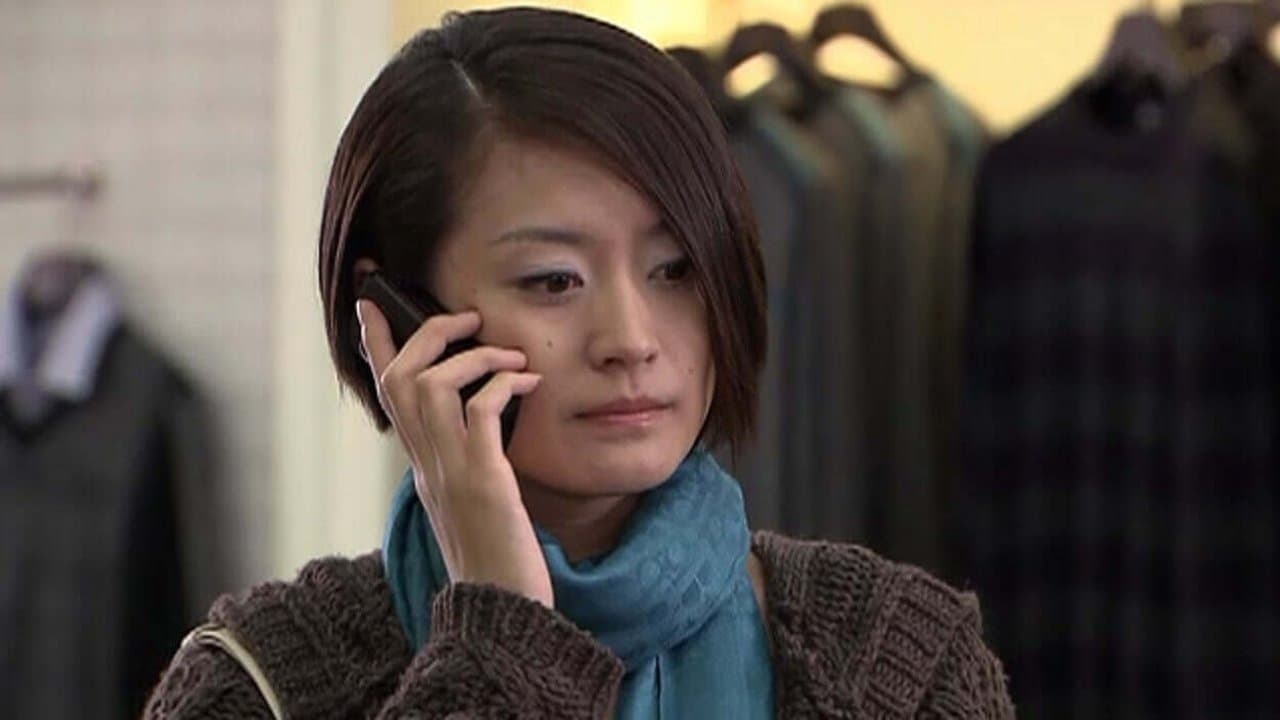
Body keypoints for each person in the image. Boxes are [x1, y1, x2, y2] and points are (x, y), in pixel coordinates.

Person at [143, 7, 1014, 718]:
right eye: (554, 280)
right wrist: (501, 635)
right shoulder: (255, 684)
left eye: (675, 270)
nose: (631, 338)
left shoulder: (904, 659)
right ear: (396, 316)